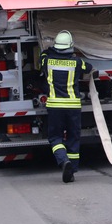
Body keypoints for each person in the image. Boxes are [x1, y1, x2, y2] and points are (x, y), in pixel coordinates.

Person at [40, 30, 92, 183]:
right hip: (73, 106)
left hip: (55, 106)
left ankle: (64, 161)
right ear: (70, 47)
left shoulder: (47, 61)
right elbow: (88, 68)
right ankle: (72, 170)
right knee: (73, 138)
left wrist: (49, 49)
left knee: (55, 137)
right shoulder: (76, 62)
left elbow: (42, 57)